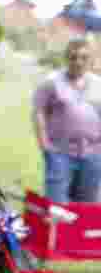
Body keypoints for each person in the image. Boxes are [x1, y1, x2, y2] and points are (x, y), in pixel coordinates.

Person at [33, 37, 101, 203]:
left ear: (91, 60)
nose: (78, 62)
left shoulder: (98, 84)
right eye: (73, 57)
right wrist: (45, 146)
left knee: (87, 207)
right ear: (66, 58)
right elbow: (39, 112)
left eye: (84, 57)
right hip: (60, 154)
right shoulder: (51, 82)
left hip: (92, 155)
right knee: (57, 207)